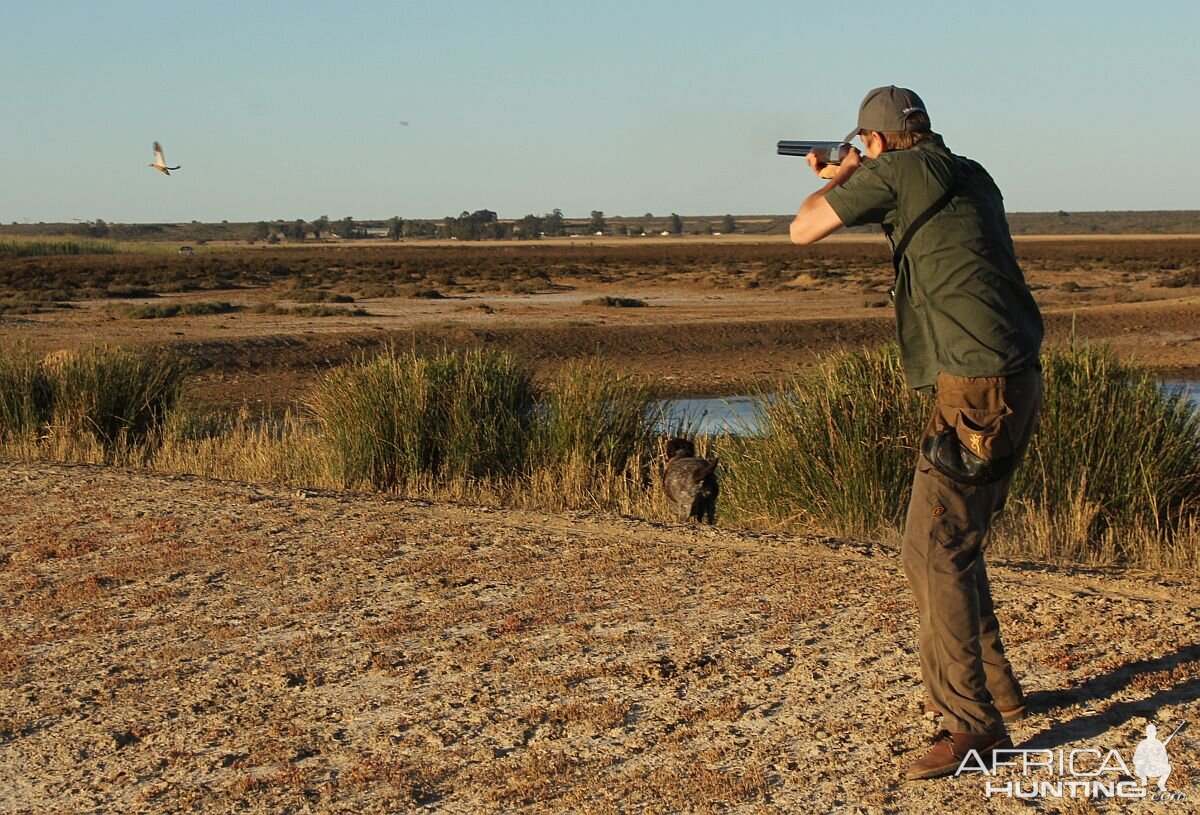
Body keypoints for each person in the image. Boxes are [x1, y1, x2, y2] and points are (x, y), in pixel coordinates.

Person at [789, 85, 1044, 781]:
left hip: (977, 388)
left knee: (932, 549)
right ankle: (999, 691)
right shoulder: (969, 172)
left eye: (864, 144)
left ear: (874, 141)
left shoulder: (894, 173)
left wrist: (842, 174)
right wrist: (864, 165)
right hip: (1010, 379)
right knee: (952, 543)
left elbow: (803, 229)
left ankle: (972, 726)